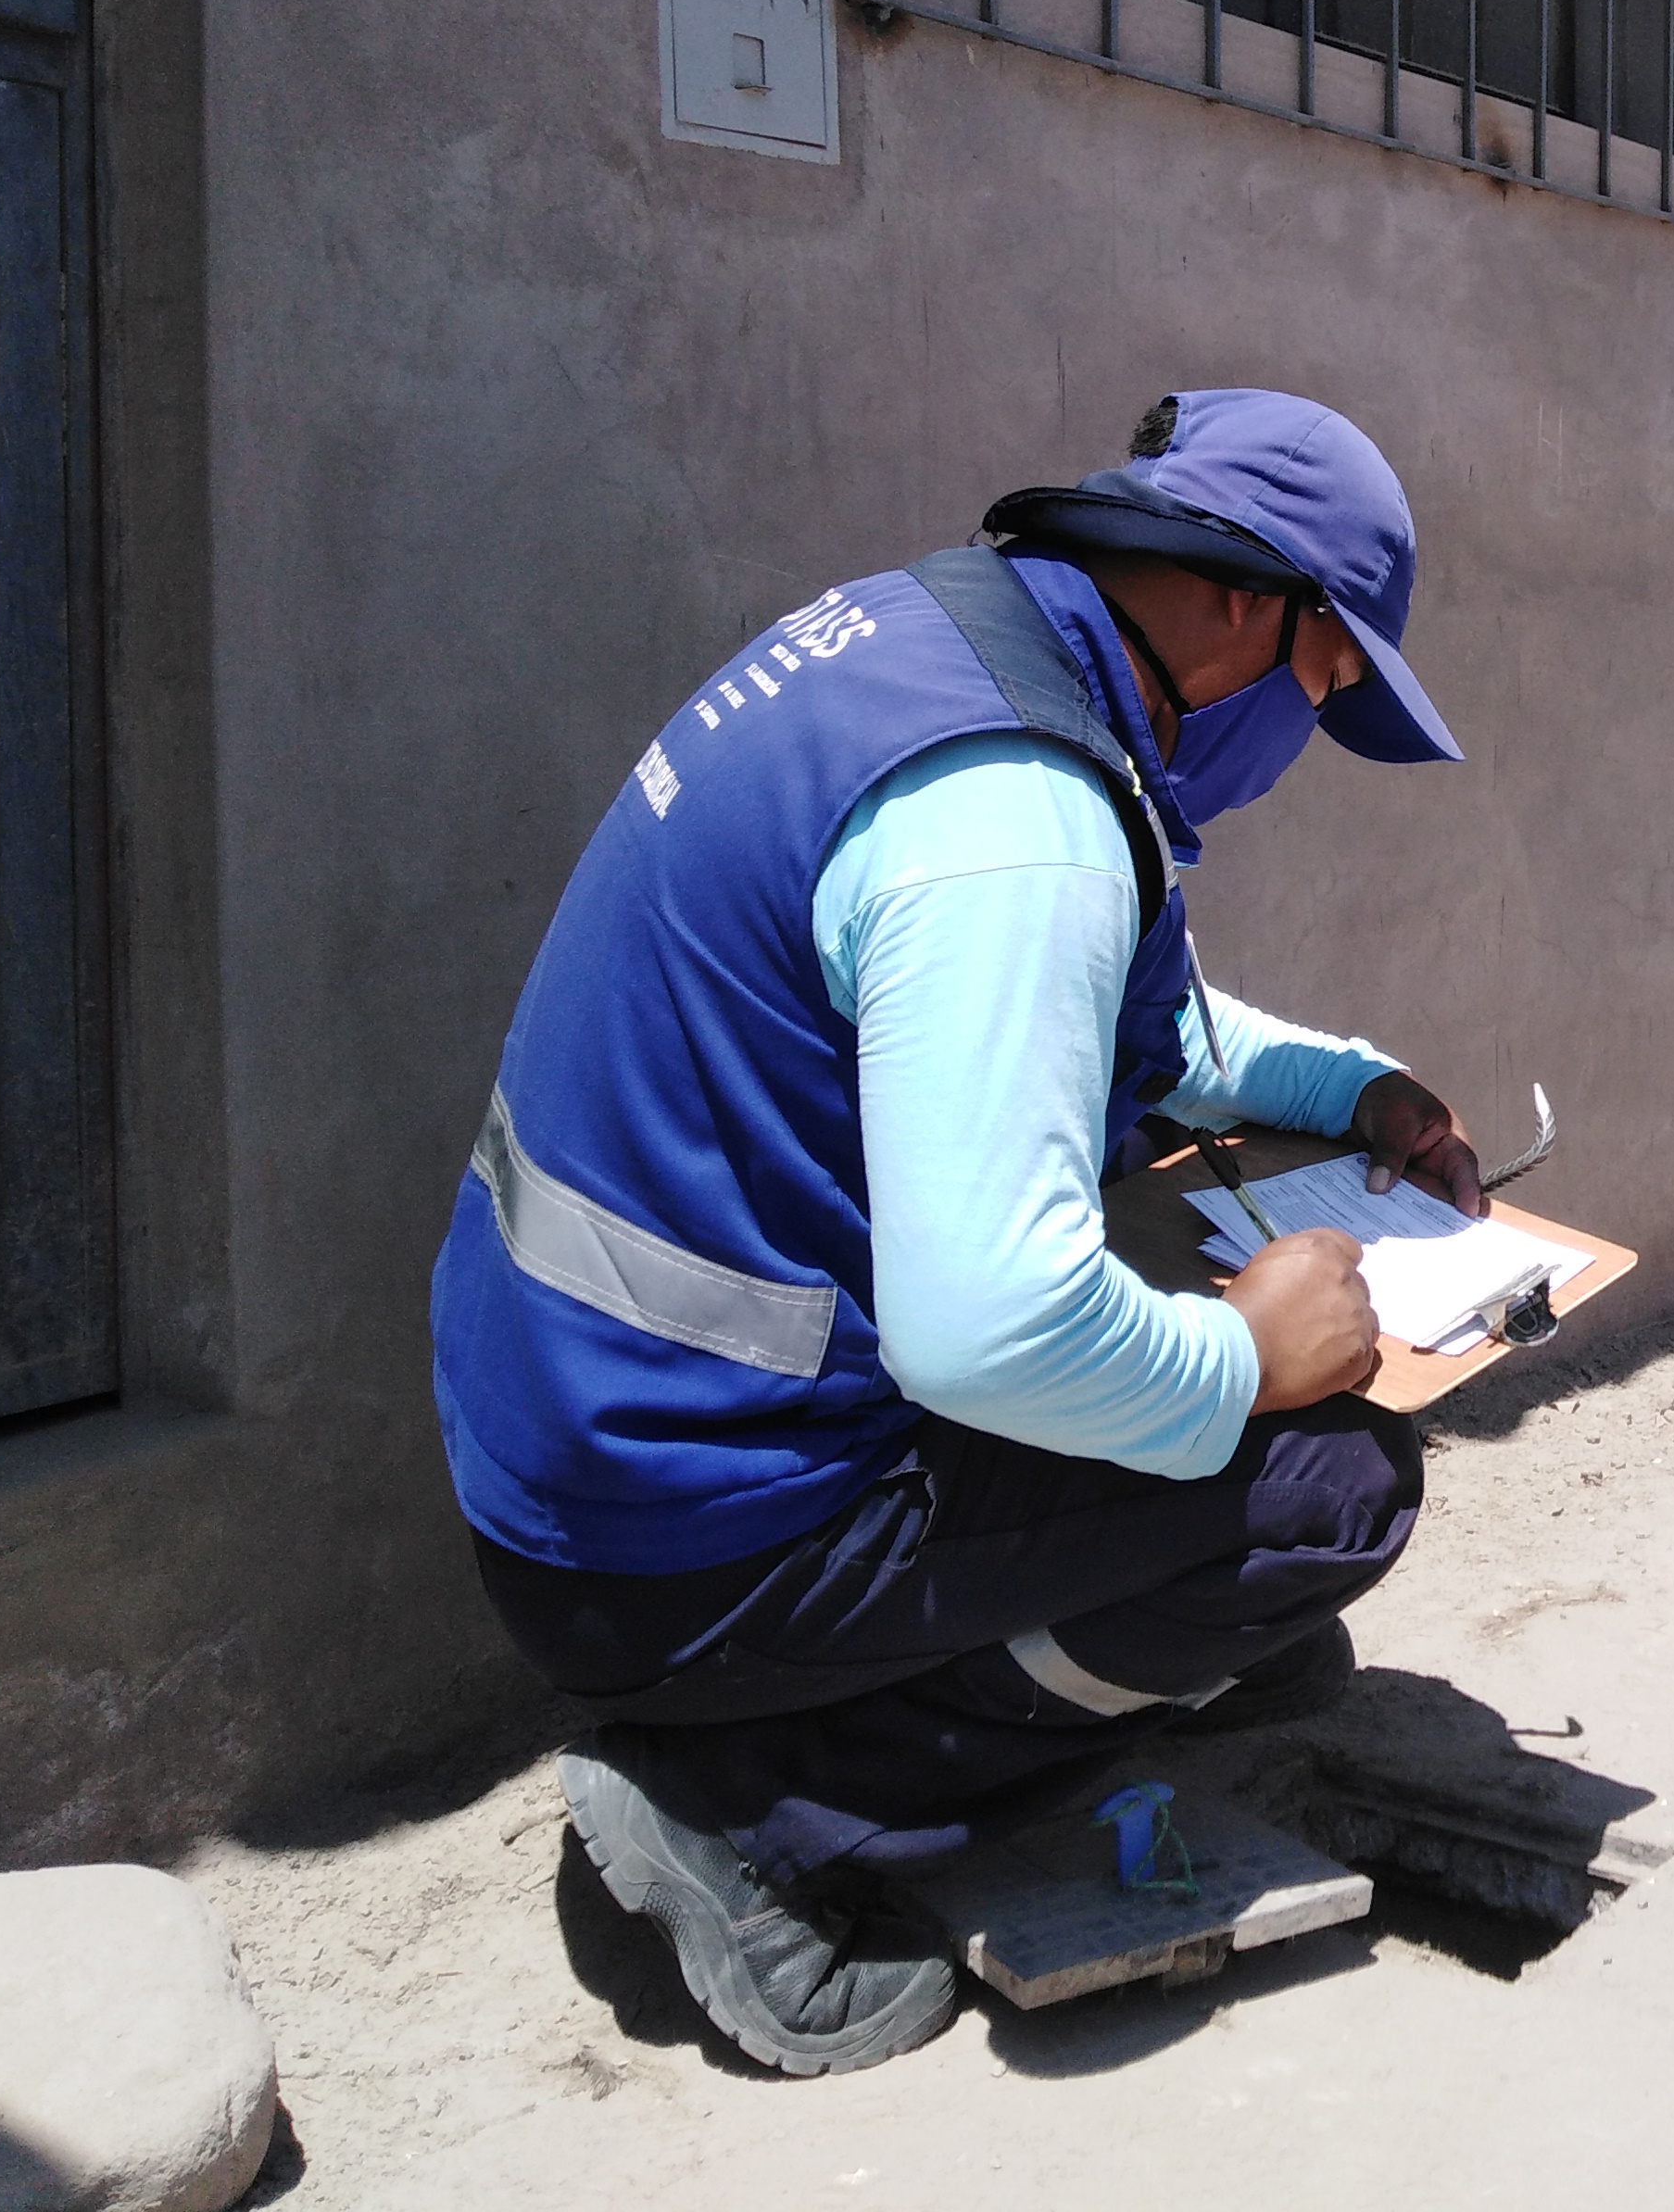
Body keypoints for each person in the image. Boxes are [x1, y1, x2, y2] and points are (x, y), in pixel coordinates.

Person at [428, 389, 1486, 2073]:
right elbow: (991, 1328)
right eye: (1322, 679)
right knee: (1333, 1486)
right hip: (678, 1540)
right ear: (1233, 598)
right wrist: (1249, 1356)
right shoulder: (1022, 821)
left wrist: (1355, 1091)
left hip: (580, 1446)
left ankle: (1078, 1650)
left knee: (1209, 1457)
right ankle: (756, 1809)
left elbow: (1112, 1017)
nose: (1307, 731)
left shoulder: (936, 653)